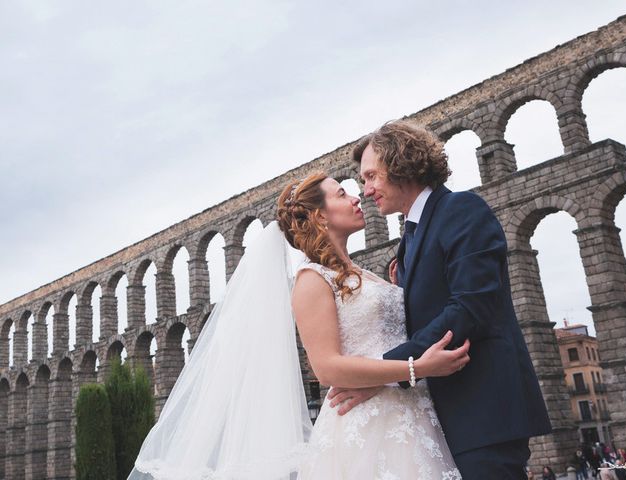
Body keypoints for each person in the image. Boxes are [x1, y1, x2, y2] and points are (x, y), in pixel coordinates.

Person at [127, 172, 468, 479]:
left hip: (414, 415)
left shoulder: (366, 274)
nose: (356, 197)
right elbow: (327, 368)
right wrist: (416, 368)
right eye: (341, 194)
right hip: (365, 426)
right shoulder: (311, 280)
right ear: (320, 215)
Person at [328, 120, 552, 479]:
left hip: (483, 412)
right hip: (441, 418)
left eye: (371, 176)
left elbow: (469, 308)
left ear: (400, 163)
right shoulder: (410, 237)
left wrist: (386, 371)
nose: (366, 191)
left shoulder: (461, 210)